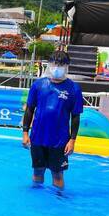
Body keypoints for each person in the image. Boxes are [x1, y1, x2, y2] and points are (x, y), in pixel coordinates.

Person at [21, 51, 84, 190]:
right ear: (49, 65)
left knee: (57, 174)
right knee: (37, 171)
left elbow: (75, 116)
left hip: (59, 140)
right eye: (55, 64)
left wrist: (72, 140)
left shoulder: (74, 89)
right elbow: (29, 109)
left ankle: (59, 201)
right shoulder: (38, 85)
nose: (57, 67)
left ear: (67, 66)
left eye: (61, 65)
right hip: (37, 137)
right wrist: (25, 133)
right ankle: (36, 199)